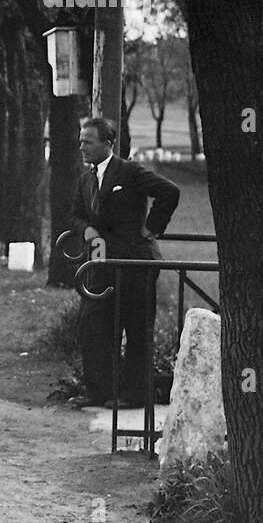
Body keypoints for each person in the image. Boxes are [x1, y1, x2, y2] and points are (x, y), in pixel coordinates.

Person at [68, 117, 179, 407]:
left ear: (108, 144)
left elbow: (169, 191)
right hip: (102, 265)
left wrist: (151, 228)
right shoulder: (86, 178)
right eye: (81, 141)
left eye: (88, 142)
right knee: (95, 327)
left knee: (137, 328)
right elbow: (75, 215)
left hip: (136, 265)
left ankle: (134, 396)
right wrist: (86, 230)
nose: (82, 147)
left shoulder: (129, 172)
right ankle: (99, 391)